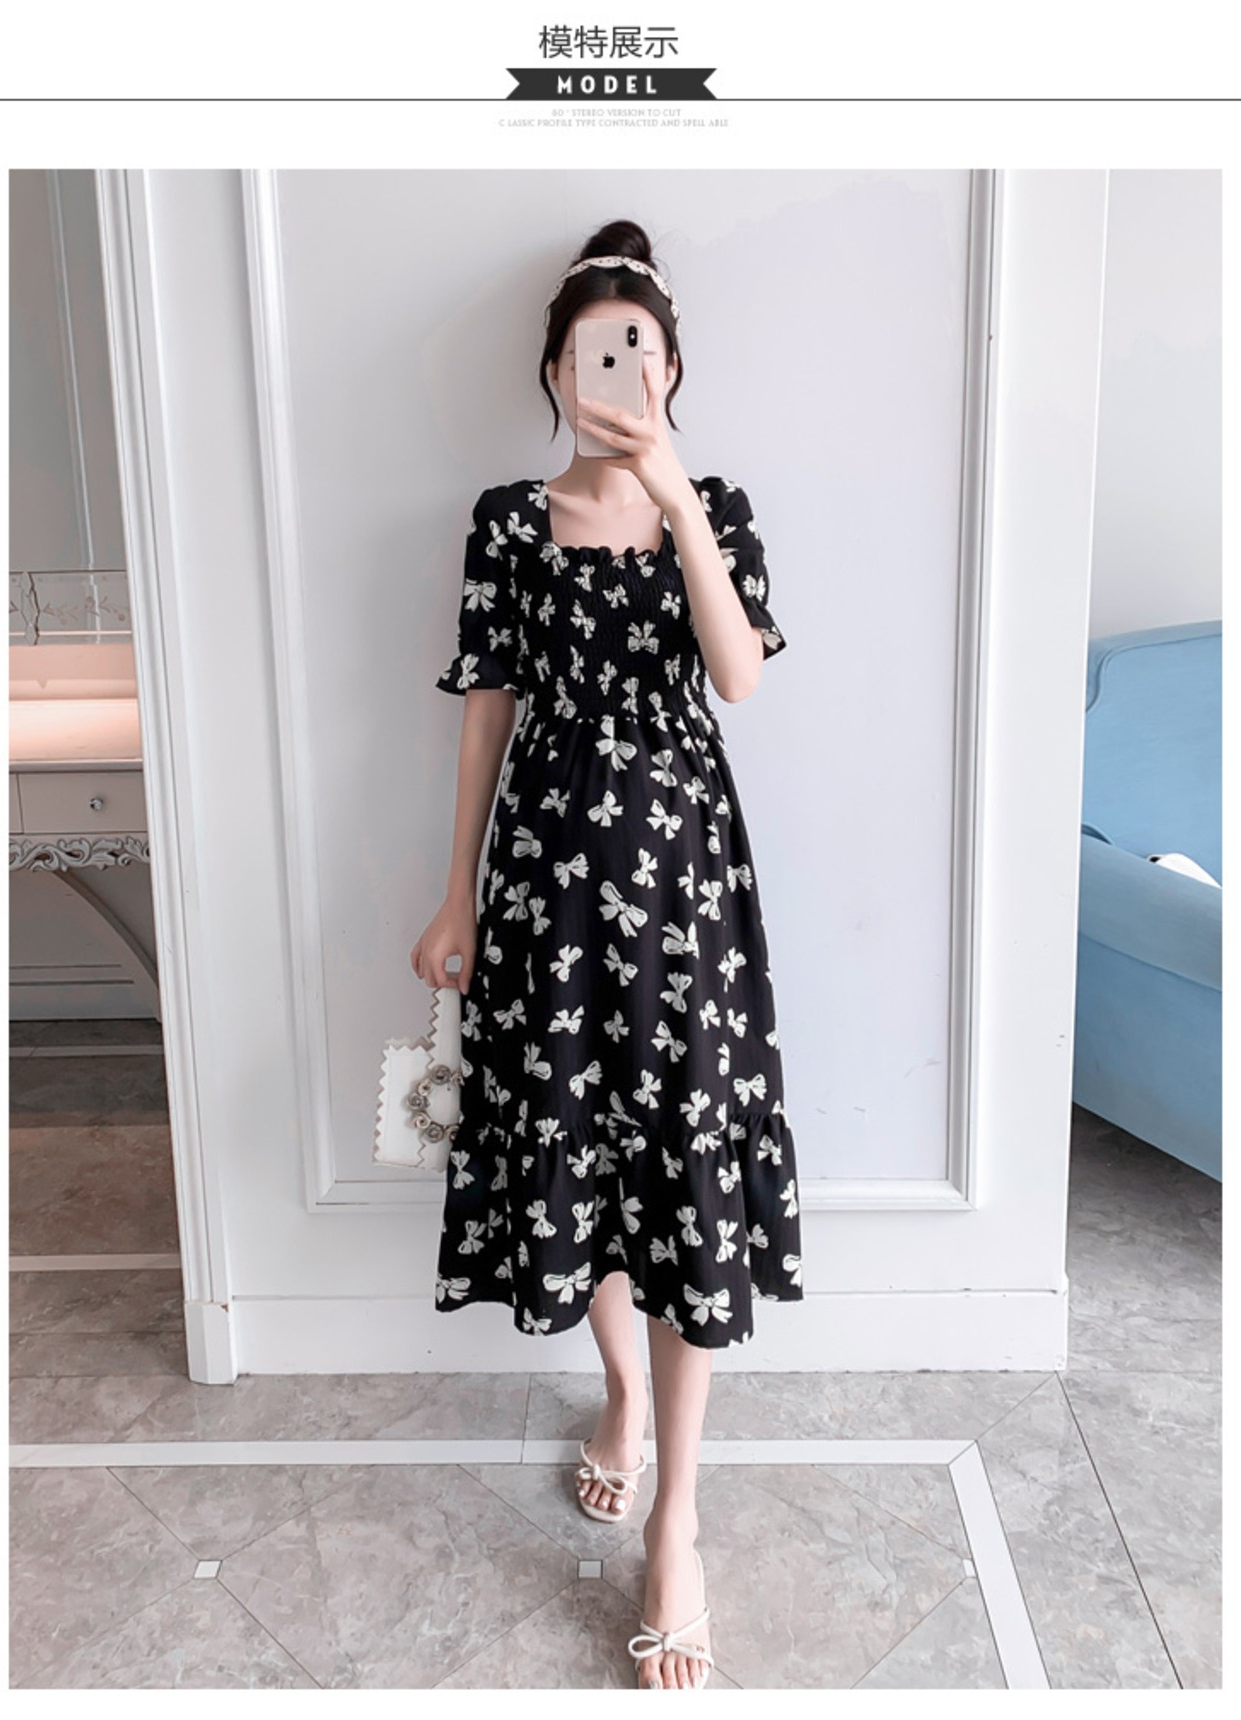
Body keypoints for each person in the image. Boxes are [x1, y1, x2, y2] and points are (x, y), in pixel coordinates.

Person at [412, 218, 803, 1690]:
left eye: (641, 346)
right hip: (546, 890)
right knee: (576, 1155)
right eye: (593, 349)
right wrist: (455, 895)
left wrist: (673, 494)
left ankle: (678, 1523)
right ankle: (621, 1397)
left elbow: (737, 675)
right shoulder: (506, 519)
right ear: (554, 372)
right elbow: (485, 709)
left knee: (686, 1173)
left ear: (673, 367)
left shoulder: (722, 507)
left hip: (687, 891)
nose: (619, 367)